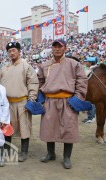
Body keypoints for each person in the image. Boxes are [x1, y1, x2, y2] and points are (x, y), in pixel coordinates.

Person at [37, 39, 88, 169]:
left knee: (68, 129)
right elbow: (39, 81)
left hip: (68, 100)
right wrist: (41, 98)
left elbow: (82, 81)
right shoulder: (45, 65)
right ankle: (50, 153)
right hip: (50, 100)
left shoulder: (73, 64)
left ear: (65, 48)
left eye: (60, 46)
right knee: (49, 127)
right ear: (52, 49)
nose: (57, 49)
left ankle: (66, 157)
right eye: (55, 46)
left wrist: (77, 98)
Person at [0, 42, 39, 162]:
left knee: (24, 127)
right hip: (8, 103)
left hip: (22, 101)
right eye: (9, 51)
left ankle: (24, 152)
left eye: (14, 50)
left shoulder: (26, 66)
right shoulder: (4, 68)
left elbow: (33, 83)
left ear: (19, 51)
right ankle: (6, 150)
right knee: (7, 126)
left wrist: (31, 99)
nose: (11, 53)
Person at [82, 57, 97, 123]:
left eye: (87, 61)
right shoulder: (95, 69)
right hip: (94, 89)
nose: (86, 63)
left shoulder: (92, 70)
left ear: (90, 63)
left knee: (91, 102)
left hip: (91, 89)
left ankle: (91, 117)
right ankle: (91, 116)